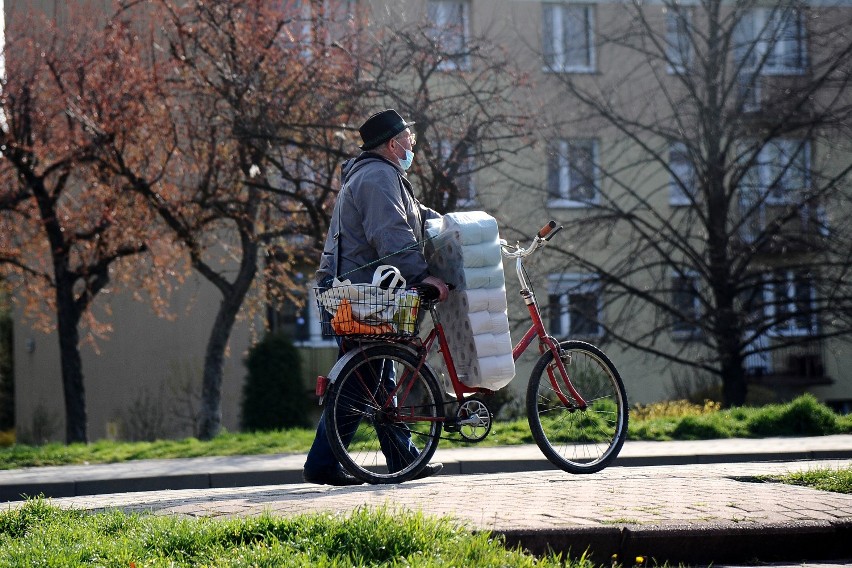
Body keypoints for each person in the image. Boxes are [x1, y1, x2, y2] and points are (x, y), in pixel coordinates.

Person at [303, 109, 449, 486]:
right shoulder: (377, 177)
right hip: (361, 292)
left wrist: (463, 228)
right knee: (361, 380)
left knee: (377, 376)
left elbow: (417, 217)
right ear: (392, 143)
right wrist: (422, 275)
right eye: (408, 140)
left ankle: (402, 456)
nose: (412, 146)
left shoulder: (383, 176)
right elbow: (391, 232)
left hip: (363, 289)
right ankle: (321, 464)